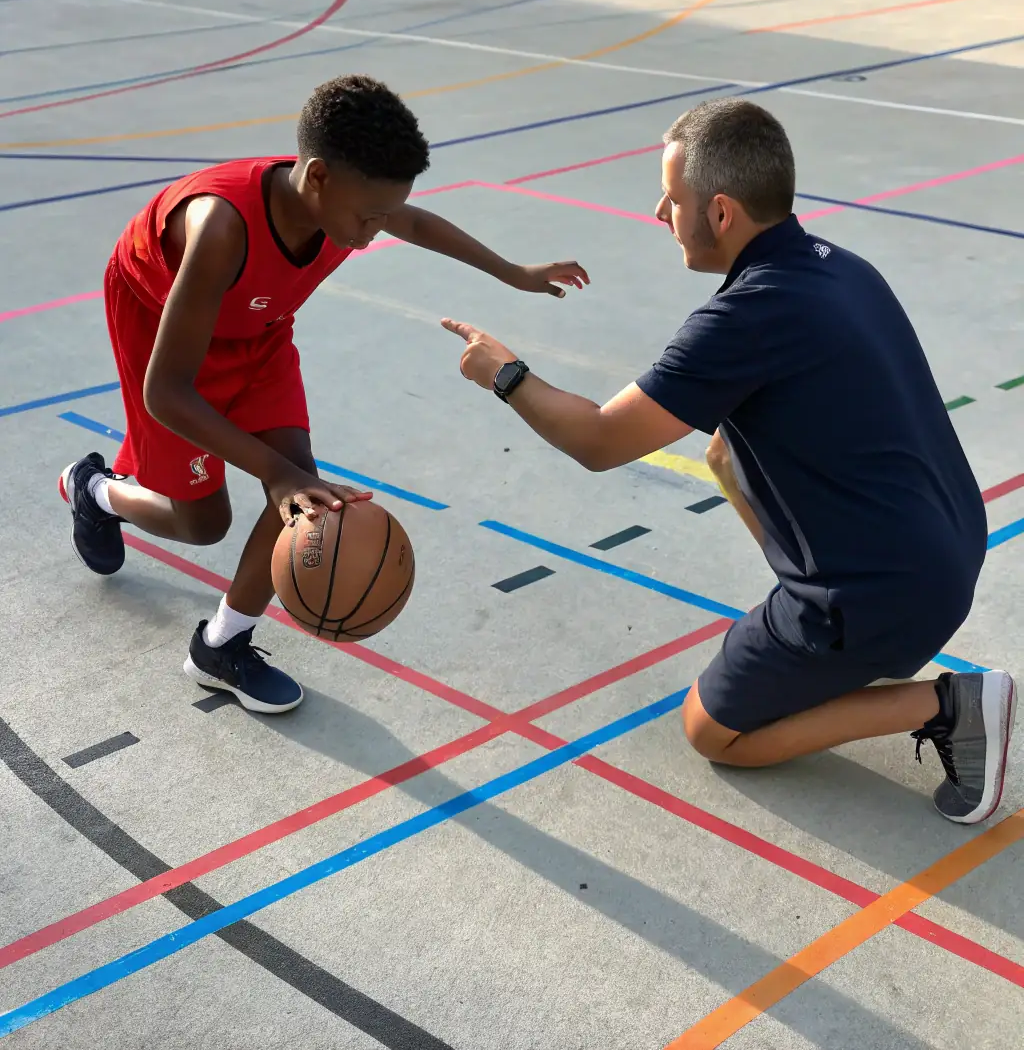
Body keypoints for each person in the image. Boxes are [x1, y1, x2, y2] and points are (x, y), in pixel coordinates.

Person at [442, 97, 1015, 826]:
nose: (659, 212)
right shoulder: (843, 268)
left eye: (671, 198)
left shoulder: (743, 319)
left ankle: (950, 703)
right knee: (723, 454)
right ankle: (833, 627)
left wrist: (505, 374)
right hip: (951, 546)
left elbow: (598, 441)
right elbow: (732, 446)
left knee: (713, 731)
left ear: (719, 213)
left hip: (883, 592)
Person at [60, 74, 588, 714]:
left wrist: (512, 272)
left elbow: (415, 222)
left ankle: (220, 645)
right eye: (367, 217)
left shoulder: (350, 201)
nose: (375, 231)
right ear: (316, 177)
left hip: (259, 330)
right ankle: (94, 490)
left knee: (303, 486)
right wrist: (275, 473)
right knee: (204, 523)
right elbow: (166, 392)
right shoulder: (221, 227)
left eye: (384, 215)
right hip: (162, 326)